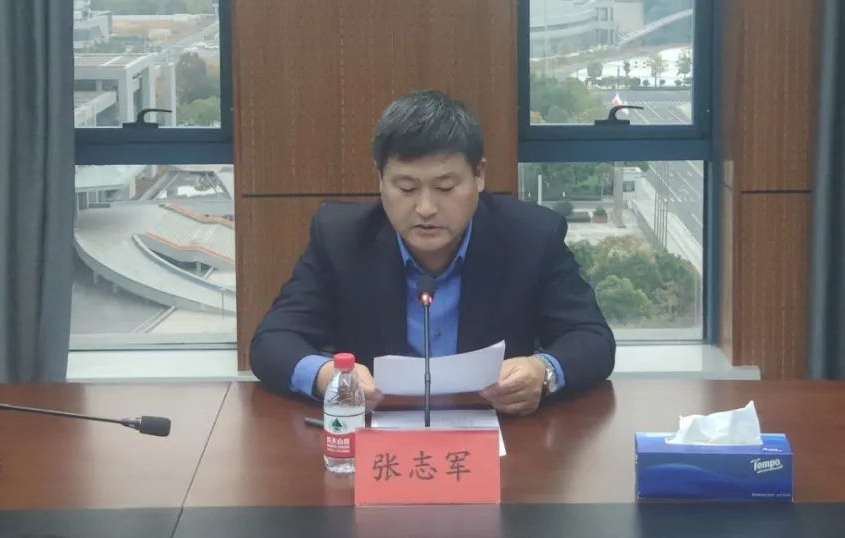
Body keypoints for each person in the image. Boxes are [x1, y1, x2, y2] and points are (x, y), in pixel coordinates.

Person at [250, 90, 615, 415]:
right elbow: (272, 342)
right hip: (376, 436)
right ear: (380, 178)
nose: (425, 208)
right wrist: (328, 376)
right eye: (406, 188)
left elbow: (592, 339)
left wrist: (543, 372)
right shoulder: (340, 238)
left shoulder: (531, 236)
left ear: (479, 175)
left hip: (500, 439)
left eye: (445, 187)